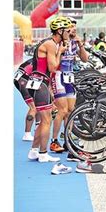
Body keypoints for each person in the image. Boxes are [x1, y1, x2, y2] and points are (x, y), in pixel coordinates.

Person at [26, 16, 72, 163]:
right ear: (60, 31)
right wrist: (60, 52)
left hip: (38, 82)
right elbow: (52, 68)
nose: (69, 33)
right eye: (67, 30)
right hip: (41, 83)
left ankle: (34, 151)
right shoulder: (51, 44)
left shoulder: (49, 42)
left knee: (44, 119)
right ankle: (43, 153)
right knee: (46, 121)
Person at [50, 17, 89, 154]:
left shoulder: (74, 42)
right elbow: (53, 63)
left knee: (71, 110)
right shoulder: (57, 43)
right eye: (70, 28)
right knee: (62, 110)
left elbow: (85, 59)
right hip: (59, 76)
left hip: (70, 76)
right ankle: (54, 140)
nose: (72, 30)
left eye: (74, 27)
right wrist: (61, 50)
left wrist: (81, 44)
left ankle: (68, 139)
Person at [14, 58, 40, 141]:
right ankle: (27, 134)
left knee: (38, 103)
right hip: (23, 79)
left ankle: (37, 129)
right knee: (33, 107)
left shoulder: (38, 56)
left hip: (23, 77)